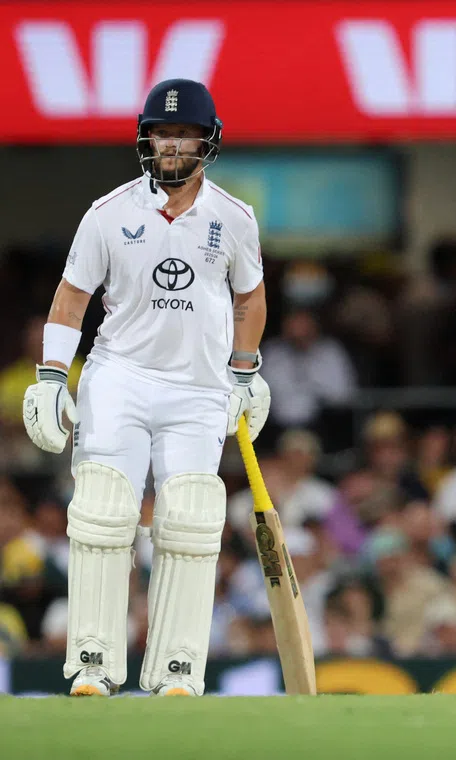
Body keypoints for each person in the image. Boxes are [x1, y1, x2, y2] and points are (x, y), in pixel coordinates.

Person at [21, 79, 270, 696]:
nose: (173, 145)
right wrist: (52, 375)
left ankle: (177, 668)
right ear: (146, 139)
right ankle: (92, 662)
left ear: (207, 141)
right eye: (163, 133)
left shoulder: (235, 218)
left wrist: (245, 371)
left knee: (190, 519)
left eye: (184, 134)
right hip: (120, 376)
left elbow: (250, 297)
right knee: (103, 511)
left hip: (199, 387)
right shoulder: (107, 214)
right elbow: (71, 298)